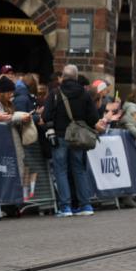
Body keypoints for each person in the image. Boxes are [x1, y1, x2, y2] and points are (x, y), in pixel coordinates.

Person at [42, 64, 100, 217]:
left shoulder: (55, 93)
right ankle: (85, 205)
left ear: (63, 77)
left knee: (61, 171)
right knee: (79, 170)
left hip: (60, 136)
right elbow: (94, 117)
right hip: (78, 138)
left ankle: (65, 207)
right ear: (76, 77)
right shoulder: (85, 94)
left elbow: (46, 115)